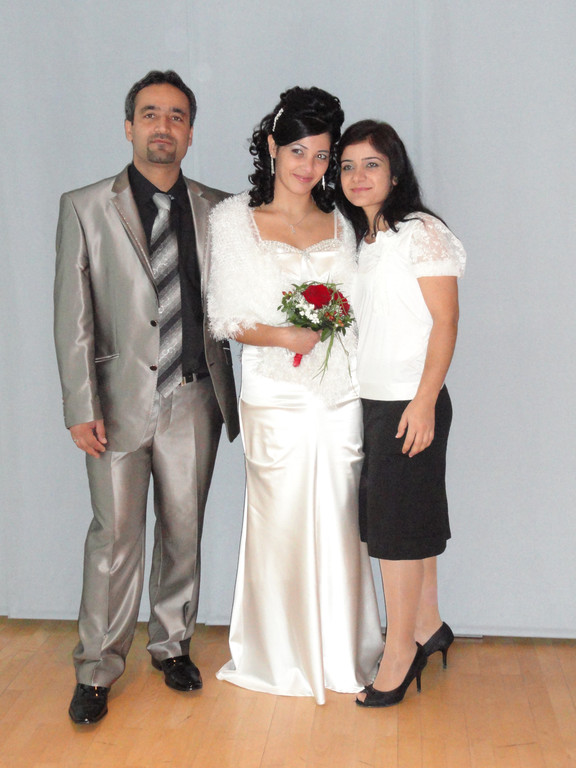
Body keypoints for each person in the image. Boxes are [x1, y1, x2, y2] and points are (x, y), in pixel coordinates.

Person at [54, 70, 239, 724]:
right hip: (115, 403)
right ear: (129, 126)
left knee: (184, 531)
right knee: (114, 537)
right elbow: (73, 316)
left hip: (195, 397)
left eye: (177, 116)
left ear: (190, 132)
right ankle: (96, 668)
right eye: (151, 114)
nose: (164, 126)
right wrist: (81, 405)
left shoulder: (221, 210)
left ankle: (172, 645)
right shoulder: (84, 206)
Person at [207, 87, 384, 704]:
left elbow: (360, 305)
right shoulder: (234, 219)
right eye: (298, 151)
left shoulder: (343, 221)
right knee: (279, 517)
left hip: (340, 389)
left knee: (340, 513)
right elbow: (227, 316)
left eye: (322, 155)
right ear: (272, 147)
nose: (309, 166)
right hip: (274, 390)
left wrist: (333, 326)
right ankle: (278, 655)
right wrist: (287, 334)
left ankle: (342, 651)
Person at [336, 120, 466, 707]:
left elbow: (446, 321)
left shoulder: (422, 232)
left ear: (395, 172)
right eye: (348, 166)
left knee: (395, 536)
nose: (357, 177)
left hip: (410, 402)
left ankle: (399, 654)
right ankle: (428, 625)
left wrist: (423, 400)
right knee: (408, 523)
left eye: (371, 165)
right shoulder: (362, 241)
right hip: (371, 402)